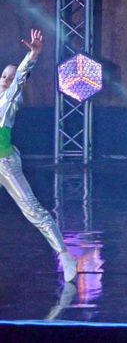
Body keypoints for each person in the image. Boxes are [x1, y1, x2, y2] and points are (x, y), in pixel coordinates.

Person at [0, 29, 76, 282]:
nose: (6, 80)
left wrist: (32, 55)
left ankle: (64, 254)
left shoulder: (10, 101)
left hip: (5, 164)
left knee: (33, 210)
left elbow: (20, 77)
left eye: (10, 78)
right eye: (4, 76)